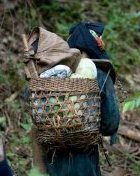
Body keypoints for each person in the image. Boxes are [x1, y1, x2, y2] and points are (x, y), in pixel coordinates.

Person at [41, 22, 120, 176]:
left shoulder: (51, 72)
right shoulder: (100, 74)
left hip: (52, 157)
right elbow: (110, 124)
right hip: (84, 159)